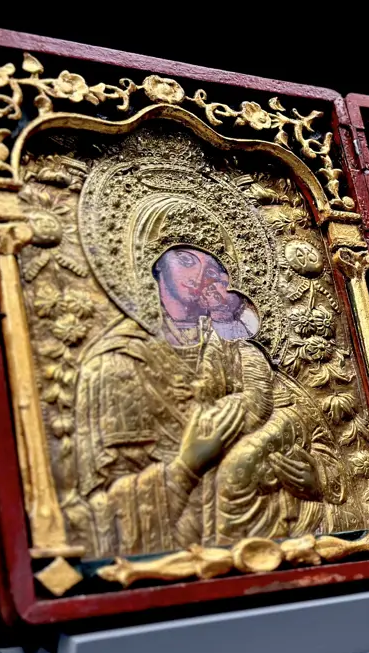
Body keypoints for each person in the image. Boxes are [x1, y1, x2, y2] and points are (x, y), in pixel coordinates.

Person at [63, 200, 345, 558]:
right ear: (153, 266)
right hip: (176, 556)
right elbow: (93, 511)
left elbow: (315, 432)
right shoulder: (117, 363)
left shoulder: (237, 347)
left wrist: (316, 476)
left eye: (214, 266)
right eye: (185, 259)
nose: (202, 276)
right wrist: (186, 467)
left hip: (281, 539)